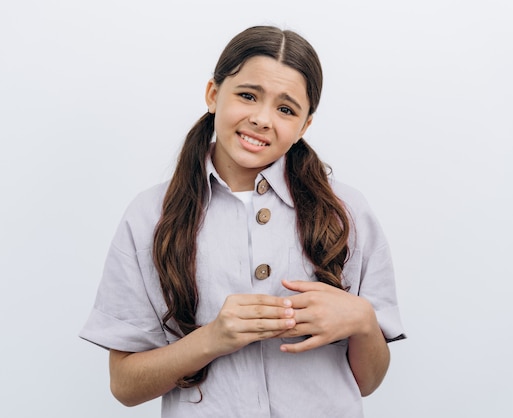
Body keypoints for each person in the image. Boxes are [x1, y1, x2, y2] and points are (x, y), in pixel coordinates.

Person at [79, 25, 406, 417]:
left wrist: (363, 321)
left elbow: (368, 382)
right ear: (213, 95)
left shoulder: (346, 212)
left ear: (305, 126)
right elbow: (125, 386)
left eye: (286, 109)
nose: (262, 119)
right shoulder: (150, 216)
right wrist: (212, 338)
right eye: (248, 96)